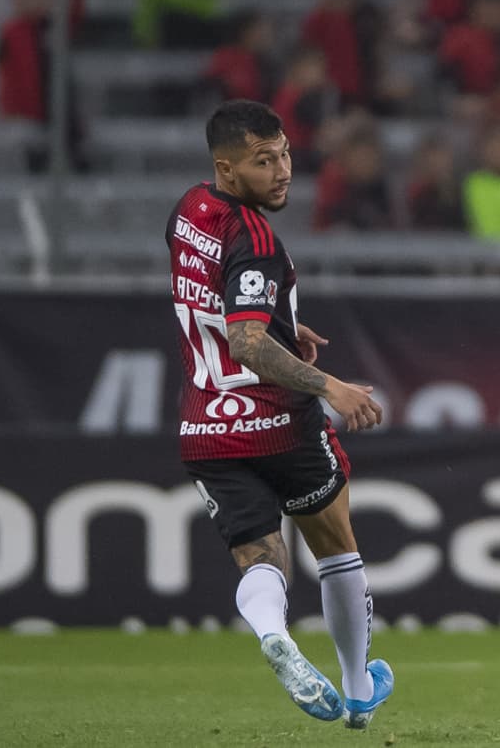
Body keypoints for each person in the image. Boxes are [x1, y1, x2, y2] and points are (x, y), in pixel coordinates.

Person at [165, 100, 394, 729]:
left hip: (207, 424)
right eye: (264, 161)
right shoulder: (257, 236)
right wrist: (331, 387)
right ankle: (355, 693)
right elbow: (245, 341)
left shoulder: (189, 210)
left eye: (286, 152)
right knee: (336, 545)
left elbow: (220, 300)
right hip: (279, 422)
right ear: (228, 168)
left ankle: (274, 635)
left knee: (260, 556)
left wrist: (284, 319)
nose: (283, 169)